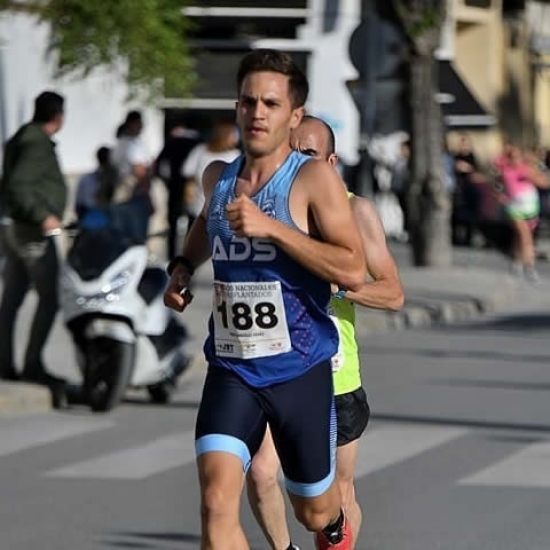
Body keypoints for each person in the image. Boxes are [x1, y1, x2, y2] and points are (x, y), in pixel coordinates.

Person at [163, 49, 366, 550]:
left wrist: (273, 229)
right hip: (232, 368)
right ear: (236, 107)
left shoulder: (314, 180)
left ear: (293, 115)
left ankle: (333, 520)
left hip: (299, 371)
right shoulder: (220, 177)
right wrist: (184, 267)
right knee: (215, 503)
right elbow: (204, 226)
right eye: (249, 101)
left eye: (271, 103)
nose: (258, 112)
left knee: (313, 511)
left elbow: (353, 269)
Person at [246, 115, 405, 550]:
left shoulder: (355, 211)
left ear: (331, 162)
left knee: (337, 496)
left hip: (335, 373)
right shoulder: (267, 207)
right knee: (261, 473)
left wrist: (341, 286)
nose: (297, 163)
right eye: (290, 153)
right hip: (274, 366)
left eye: (308, 155)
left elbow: (393, 293)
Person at [0, 91, 67, 405]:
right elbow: (18, 185)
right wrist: (43, 216)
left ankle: (5, 362)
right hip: (32, 233)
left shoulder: (24, 137)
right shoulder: (35, 143)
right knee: (49, 297)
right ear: (59, 116)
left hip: (15, 227)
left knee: (11, 298)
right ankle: (31, 364)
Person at [181, 119, 240, 233]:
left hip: (214, 211)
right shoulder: (234, 156)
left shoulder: (201, 151)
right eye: (234, 134)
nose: (236, 138)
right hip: (203, 210)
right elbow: (188, 174)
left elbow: (188, 173)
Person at [154, 123, 200, 259]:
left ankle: (171, 257)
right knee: (193, 225)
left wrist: (166, 182)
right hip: (192, 189)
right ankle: (188, 258)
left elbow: (158, 164)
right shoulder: (197, 144)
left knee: (173, 225)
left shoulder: (172, 142)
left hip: (175, 186)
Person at [110, 110, 153, 243]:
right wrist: (148, 197)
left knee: (123, 239)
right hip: (134, 196)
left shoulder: (121, 143)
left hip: (123, 196)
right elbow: (139, 171)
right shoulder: (131, 144)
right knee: (136, 240)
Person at [74, 146, 117, 220]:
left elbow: (79, 204)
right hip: (97, 218)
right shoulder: (90, 179)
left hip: (90, 218)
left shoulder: (86, 178)